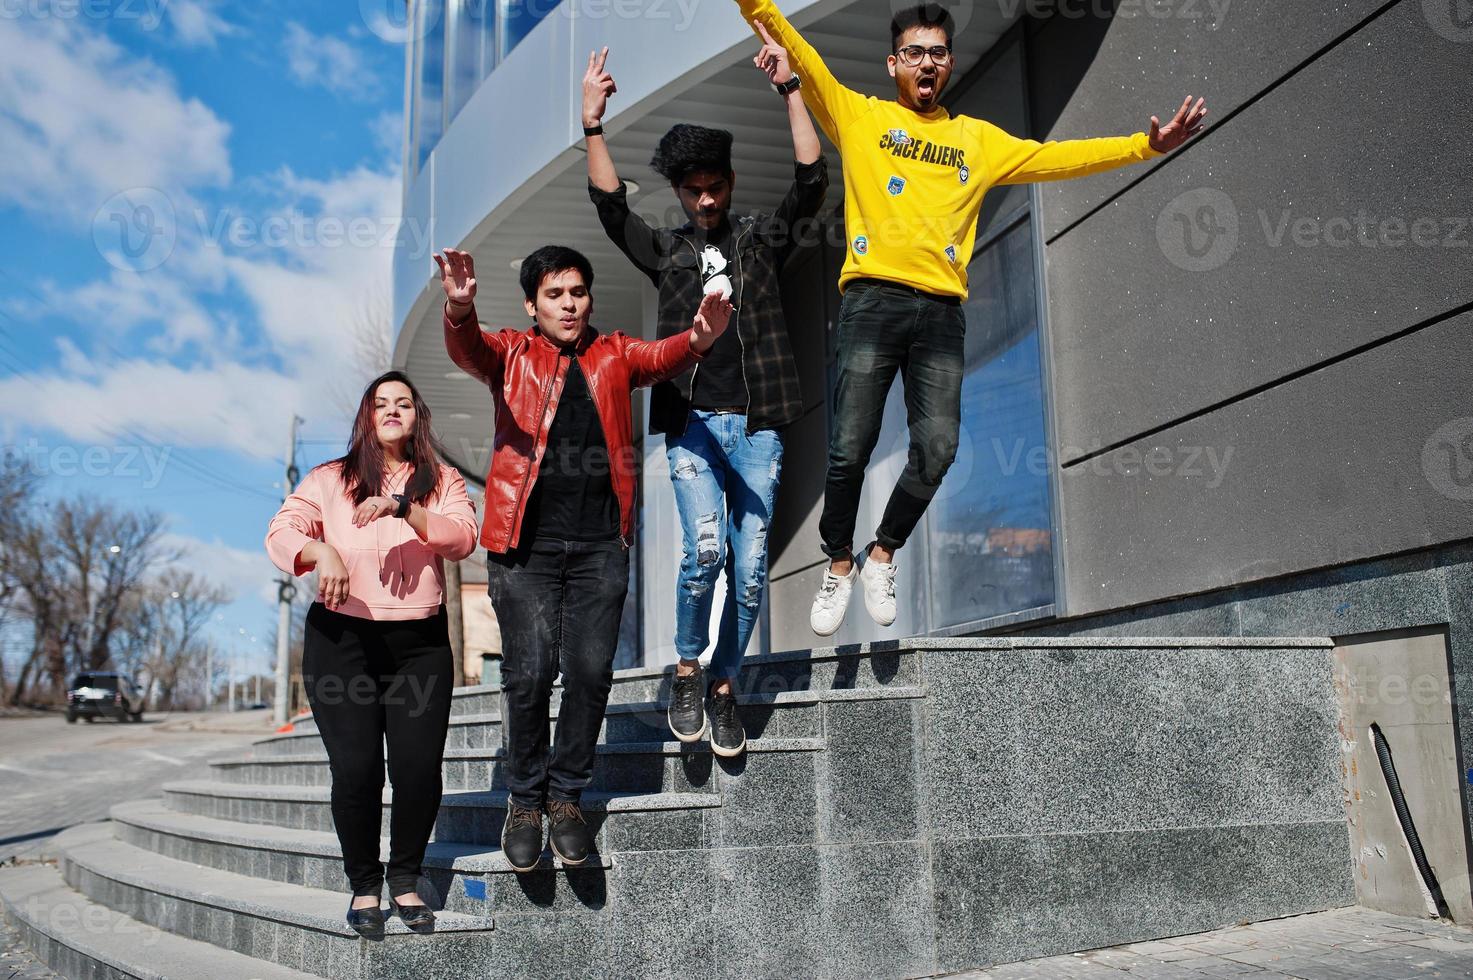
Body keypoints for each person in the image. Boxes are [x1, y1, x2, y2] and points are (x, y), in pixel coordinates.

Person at [728, 0, 1208, 636]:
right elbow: (788, 37)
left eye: (938, 53)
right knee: (848, 449)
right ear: (894, 64)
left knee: (939, 447)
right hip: (871, 302)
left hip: (941, 313)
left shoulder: (977, 142)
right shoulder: (860, 116)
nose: (927, 63)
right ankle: (839, 562)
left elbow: (1059, 157)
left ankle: (882, 554)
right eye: (915, 54)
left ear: (949, 63)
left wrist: (1145, 146)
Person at [436, 244, 732, 872]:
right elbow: (471, 350)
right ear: (531, 305)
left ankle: (566, 799)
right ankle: (525, 800)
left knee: (593, 673)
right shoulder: (512, 354)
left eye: (577, 292)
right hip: (524, 547)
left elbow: (662, 356)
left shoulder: (613, 352)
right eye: (554, 295)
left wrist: (700, 338)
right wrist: (460, 310)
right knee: (530, 673)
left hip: (600, 544)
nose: (568, 305)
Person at [582, 37, 826, 757]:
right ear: (681, 194)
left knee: (749, 573)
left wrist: (790, 89)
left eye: (716, 185)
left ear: (727, 180)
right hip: (690, 422)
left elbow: (811, 181)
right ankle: (686, 668)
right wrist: (592, 124)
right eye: (694, 190)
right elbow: (607, 208)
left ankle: (723, 684)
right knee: (706, 552)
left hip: (759, 426)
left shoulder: (758, 239)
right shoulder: (666, 251)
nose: (708, 199)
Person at [265, 371, 479, 937]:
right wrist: (319, 551)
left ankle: (405, 880)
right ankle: (364, 885)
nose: (392, 410)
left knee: (417, 772)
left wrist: (402, 508)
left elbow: (461, 539)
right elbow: (281, 532)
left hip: (419, 649)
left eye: (403, 402)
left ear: (416, 415)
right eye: (380, 403)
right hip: (343, 644)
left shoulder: (442, 480)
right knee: (357, 770)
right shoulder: (329, 478)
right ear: (366, 415)